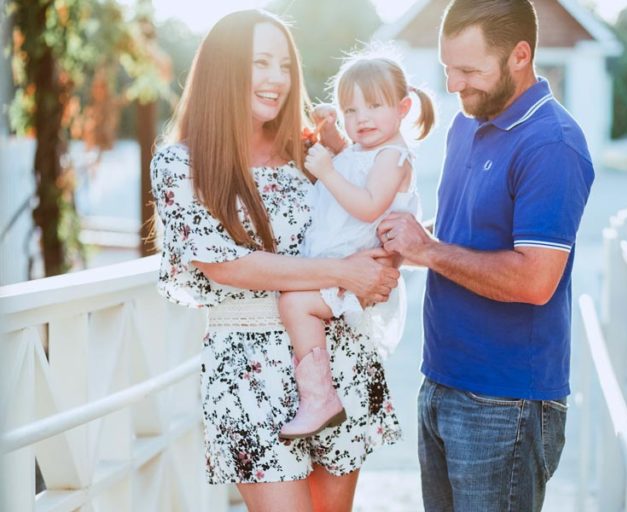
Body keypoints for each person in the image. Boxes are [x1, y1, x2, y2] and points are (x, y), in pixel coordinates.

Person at [150, 10, 402, 512]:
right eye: (260, 63)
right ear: (224, 70)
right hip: (247, 372)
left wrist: (381, 262)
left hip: (339, 362)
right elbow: (226, 265)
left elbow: (372, 206)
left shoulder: (309, 156)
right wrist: (345, 271)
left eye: (284, 65)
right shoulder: (181, 164)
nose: (277, 80)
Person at [377, 1, 595, 510]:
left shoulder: (552, 144)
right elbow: (460, 238)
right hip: (441, 381)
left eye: (469, 70)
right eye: (448, 68)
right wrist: (400, 246)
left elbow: (534, 278)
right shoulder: (466, 123)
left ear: (521, 56)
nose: (453, 85)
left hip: (505, 403)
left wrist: (427, 250)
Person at [278, 55, 434, 440]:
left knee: (294, 303)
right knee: (294, 301)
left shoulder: (393, 158)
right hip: (342, 263)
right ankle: (319, 395)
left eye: (374, 105)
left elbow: (367, 206)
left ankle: (319, 399)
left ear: (403, 108)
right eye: (351, 109)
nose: (361, 117)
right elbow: (351, 157)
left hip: (358, 269)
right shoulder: (369, 148)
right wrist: (333, 132)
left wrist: (326, 172)